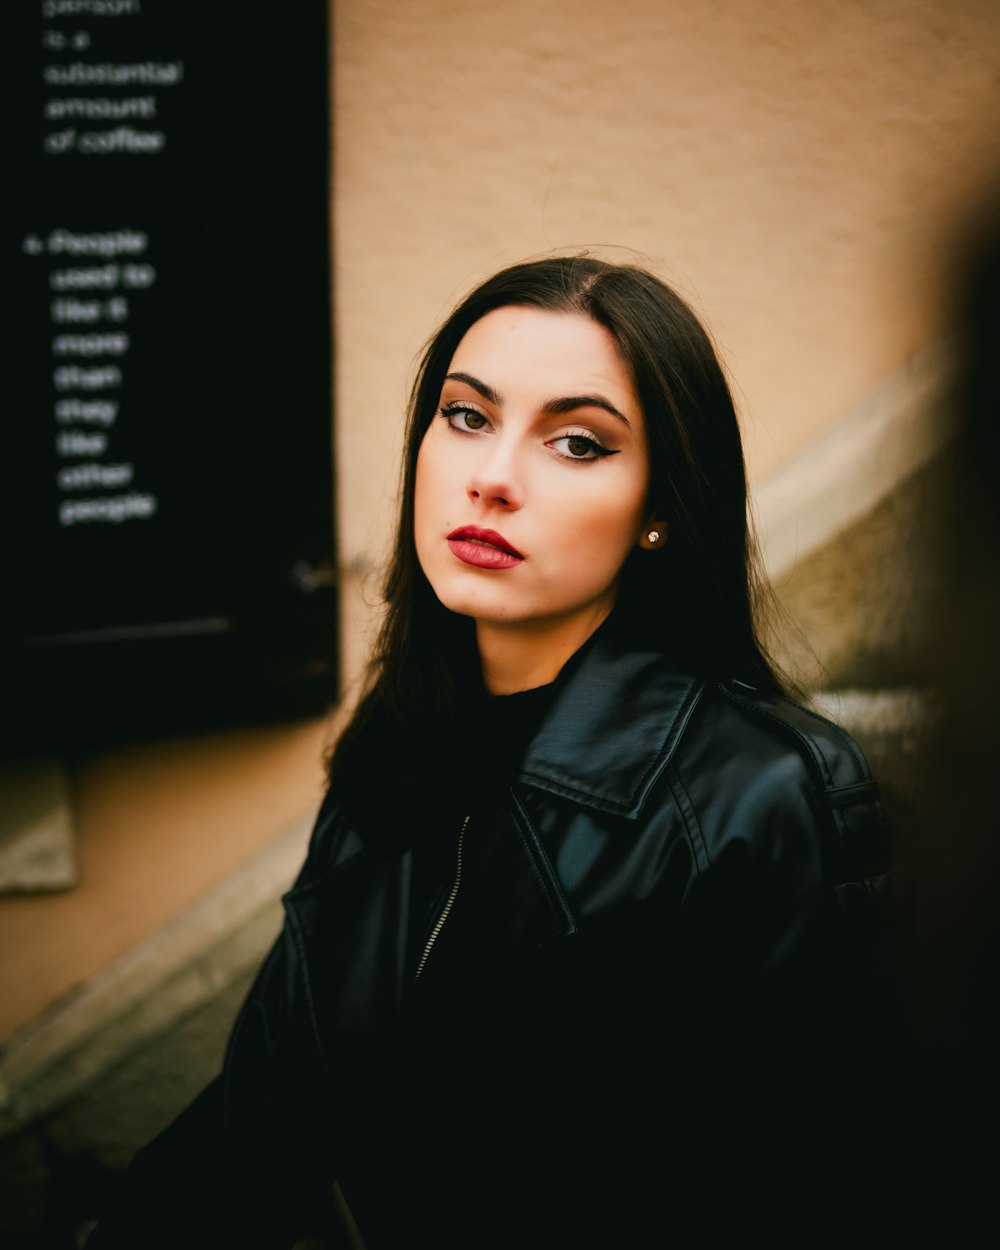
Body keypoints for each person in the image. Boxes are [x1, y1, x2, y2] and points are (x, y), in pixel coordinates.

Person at [87, 255, 890, 1248]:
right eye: (466, 416)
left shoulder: (759, 794)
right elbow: (267, 1108)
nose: (493, 478)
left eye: (577, 442)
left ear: (660, 509)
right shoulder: (398, 748)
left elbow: (808, 1187)